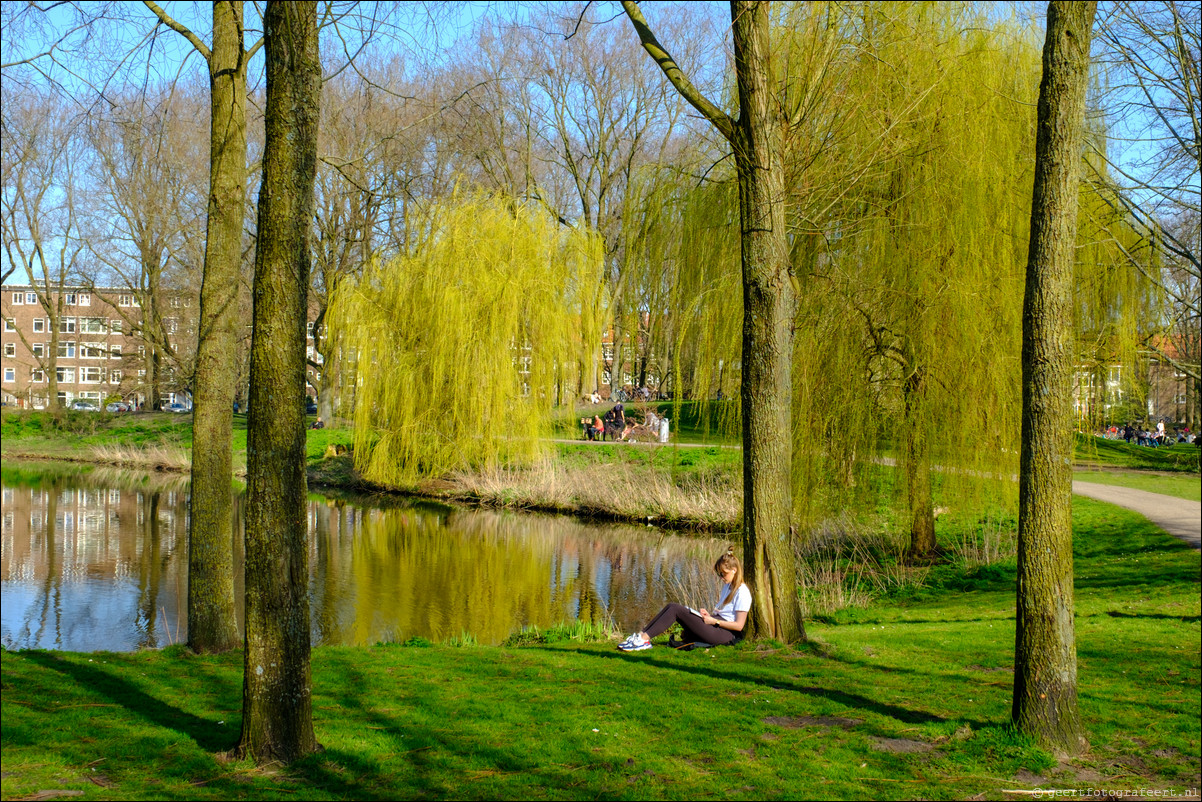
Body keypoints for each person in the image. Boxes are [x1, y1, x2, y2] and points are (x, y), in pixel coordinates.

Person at [618, 548, 751, 651]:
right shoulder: (728, 587)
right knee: (671, 606)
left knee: (676, 609)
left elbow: (739, 626)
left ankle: (643, 640)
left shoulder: (742, 591)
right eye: (719, 574)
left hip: (725, 634)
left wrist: (714, 621)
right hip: (716, 625)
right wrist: (708, 616)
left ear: (734, 570)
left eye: (724, 574)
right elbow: (724, 613)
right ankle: (641, 636)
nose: (721, 577)